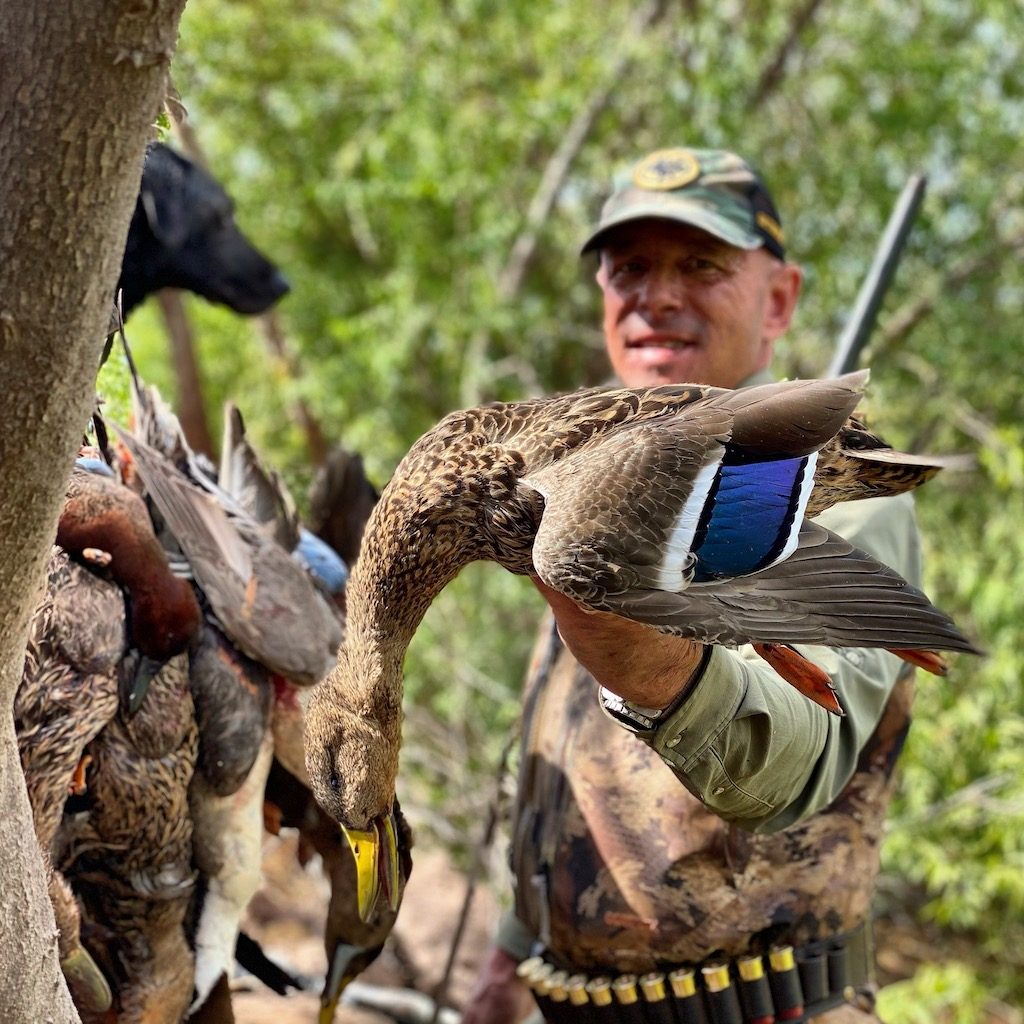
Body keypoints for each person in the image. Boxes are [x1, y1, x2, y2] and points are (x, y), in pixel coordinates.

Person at [463, 147, 922, 1024]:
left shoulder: (837, 494)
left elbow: (802, 760)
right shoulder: (585, 489)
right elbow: (563, 762)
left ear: (778, 299)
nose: (657, 296)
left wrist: (647, 658)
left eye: (701, 266)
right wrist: (510, 950)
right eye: (629, 267)